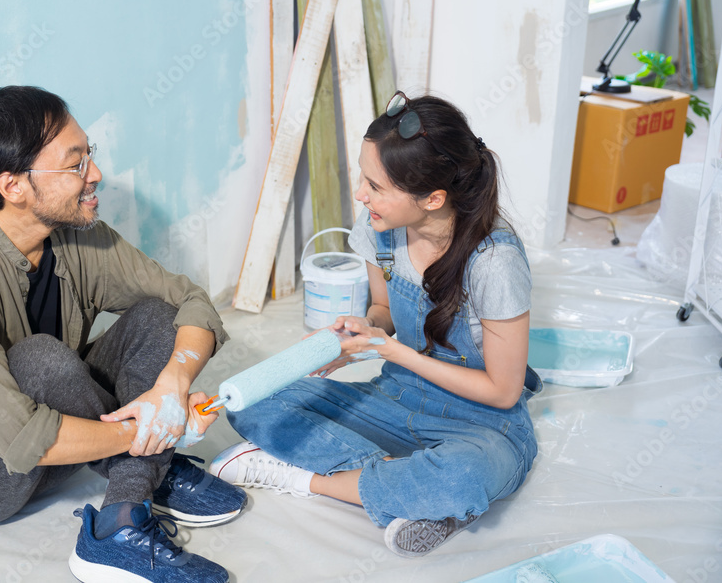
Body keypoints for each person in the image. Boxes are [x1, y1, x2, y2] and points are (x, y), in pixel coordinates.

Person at [0, 85, 243, 583]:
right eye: (75, 165)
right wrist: (155, 431)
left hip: (61, 433)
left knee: (159, 316)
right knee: (41, 359)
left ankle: (123, 513)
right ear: (13, 186)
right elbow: (17, 435)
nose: (94, 174)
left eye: (89, 156)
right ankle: (148, 463)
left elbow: (193, 303)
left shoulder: (77, 233)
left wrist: (172, 390)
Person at [211, 92, 542, 558]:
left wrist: (391, 351)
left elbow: (504, 392)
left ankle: (307, 479)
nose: (361, 195)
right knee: (254, 400)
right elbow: (384, 313)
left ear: (433, 198)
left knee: (466, 475)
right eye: (363, 179)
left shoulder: (496, 263)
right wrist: (354, 333)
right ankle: (406, 490)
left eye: (376, 186)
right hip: (397, 398)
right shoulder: (378, 229)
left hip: (483, 425)